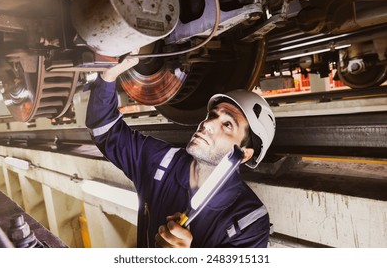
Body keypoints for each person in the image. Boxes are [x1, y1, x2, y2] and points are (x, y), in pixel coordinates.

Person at [85, 55, 276, 248]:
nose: (207, 123)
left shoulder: (249, 219)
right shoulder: (161, 161)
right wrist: (108, 78)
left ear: (244, 154)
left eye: (227, 124)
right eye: (212, 115)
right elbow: (106, 131)